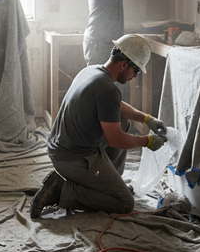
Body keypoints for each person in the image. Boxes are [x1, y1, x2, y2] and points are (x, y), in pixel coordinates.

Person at [30, 34, 167, 219]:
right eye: (136, 71)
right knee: (125, 202)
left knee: (123, 121)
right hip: (72, 159)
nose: (135, 76)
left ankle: (108, 184)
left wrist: (146, 118)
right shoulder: (107, 89)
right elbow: (115, 139)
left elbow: (115, 106)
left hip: (61, 147)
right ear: (124, 64)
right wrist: (147, 141)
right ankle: (61, 190)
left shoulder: (92, 71)